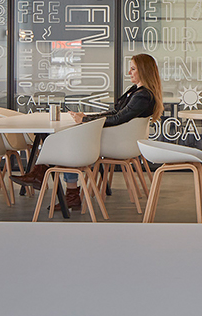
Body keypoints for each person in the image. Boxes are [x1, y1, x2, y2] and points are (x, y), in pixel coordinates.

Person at [12, 53, 163, 208]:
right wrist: (87, 117)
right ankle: (50, 179)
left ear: (144, 71)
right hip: (118, 140)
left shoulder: (143, 96)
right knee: (73, 141)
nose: (129, 73)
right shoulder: (137, 92)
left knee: (72, 143)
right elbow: (115, 113)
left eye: (133, 69)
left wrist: (85, 120)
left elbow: (118, 119)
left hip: (118, 143)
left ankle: (46, 176)